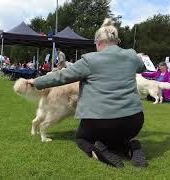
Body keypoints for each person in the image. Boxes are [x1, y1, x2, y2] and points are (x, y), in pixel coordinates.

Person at [27, 18, 147, 168]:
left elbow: (61, 76)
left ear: (98, 42)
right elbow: (142, 67)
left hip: (101, 121)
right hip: (134, 121)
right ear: (117, 41)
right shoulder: (131, 55)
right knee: (118, 139)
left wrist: (36, 82)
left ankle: (97, 151)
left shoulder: (90, 60)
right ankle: (133, 147)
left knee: (82, 138)